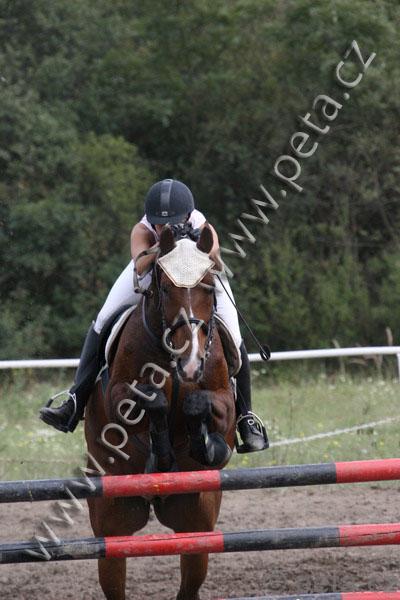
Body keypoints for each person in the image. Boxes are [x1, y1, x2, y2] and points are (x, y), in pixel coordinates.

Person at [39, 179, 269, 453]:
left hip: (198, 274)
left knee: (232, 330)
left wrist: (192, 243)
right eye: (160, 224)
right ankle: (75, 401)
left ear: (187, 215)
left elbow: (215, 257)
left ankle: (246, 418)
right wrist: (163, 245)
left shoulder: (201, 224)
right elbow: (139, 265)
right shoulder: (142, 229)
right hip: (153, 274)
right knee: (103, 319)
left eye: (172, 222)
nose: (164, 227)